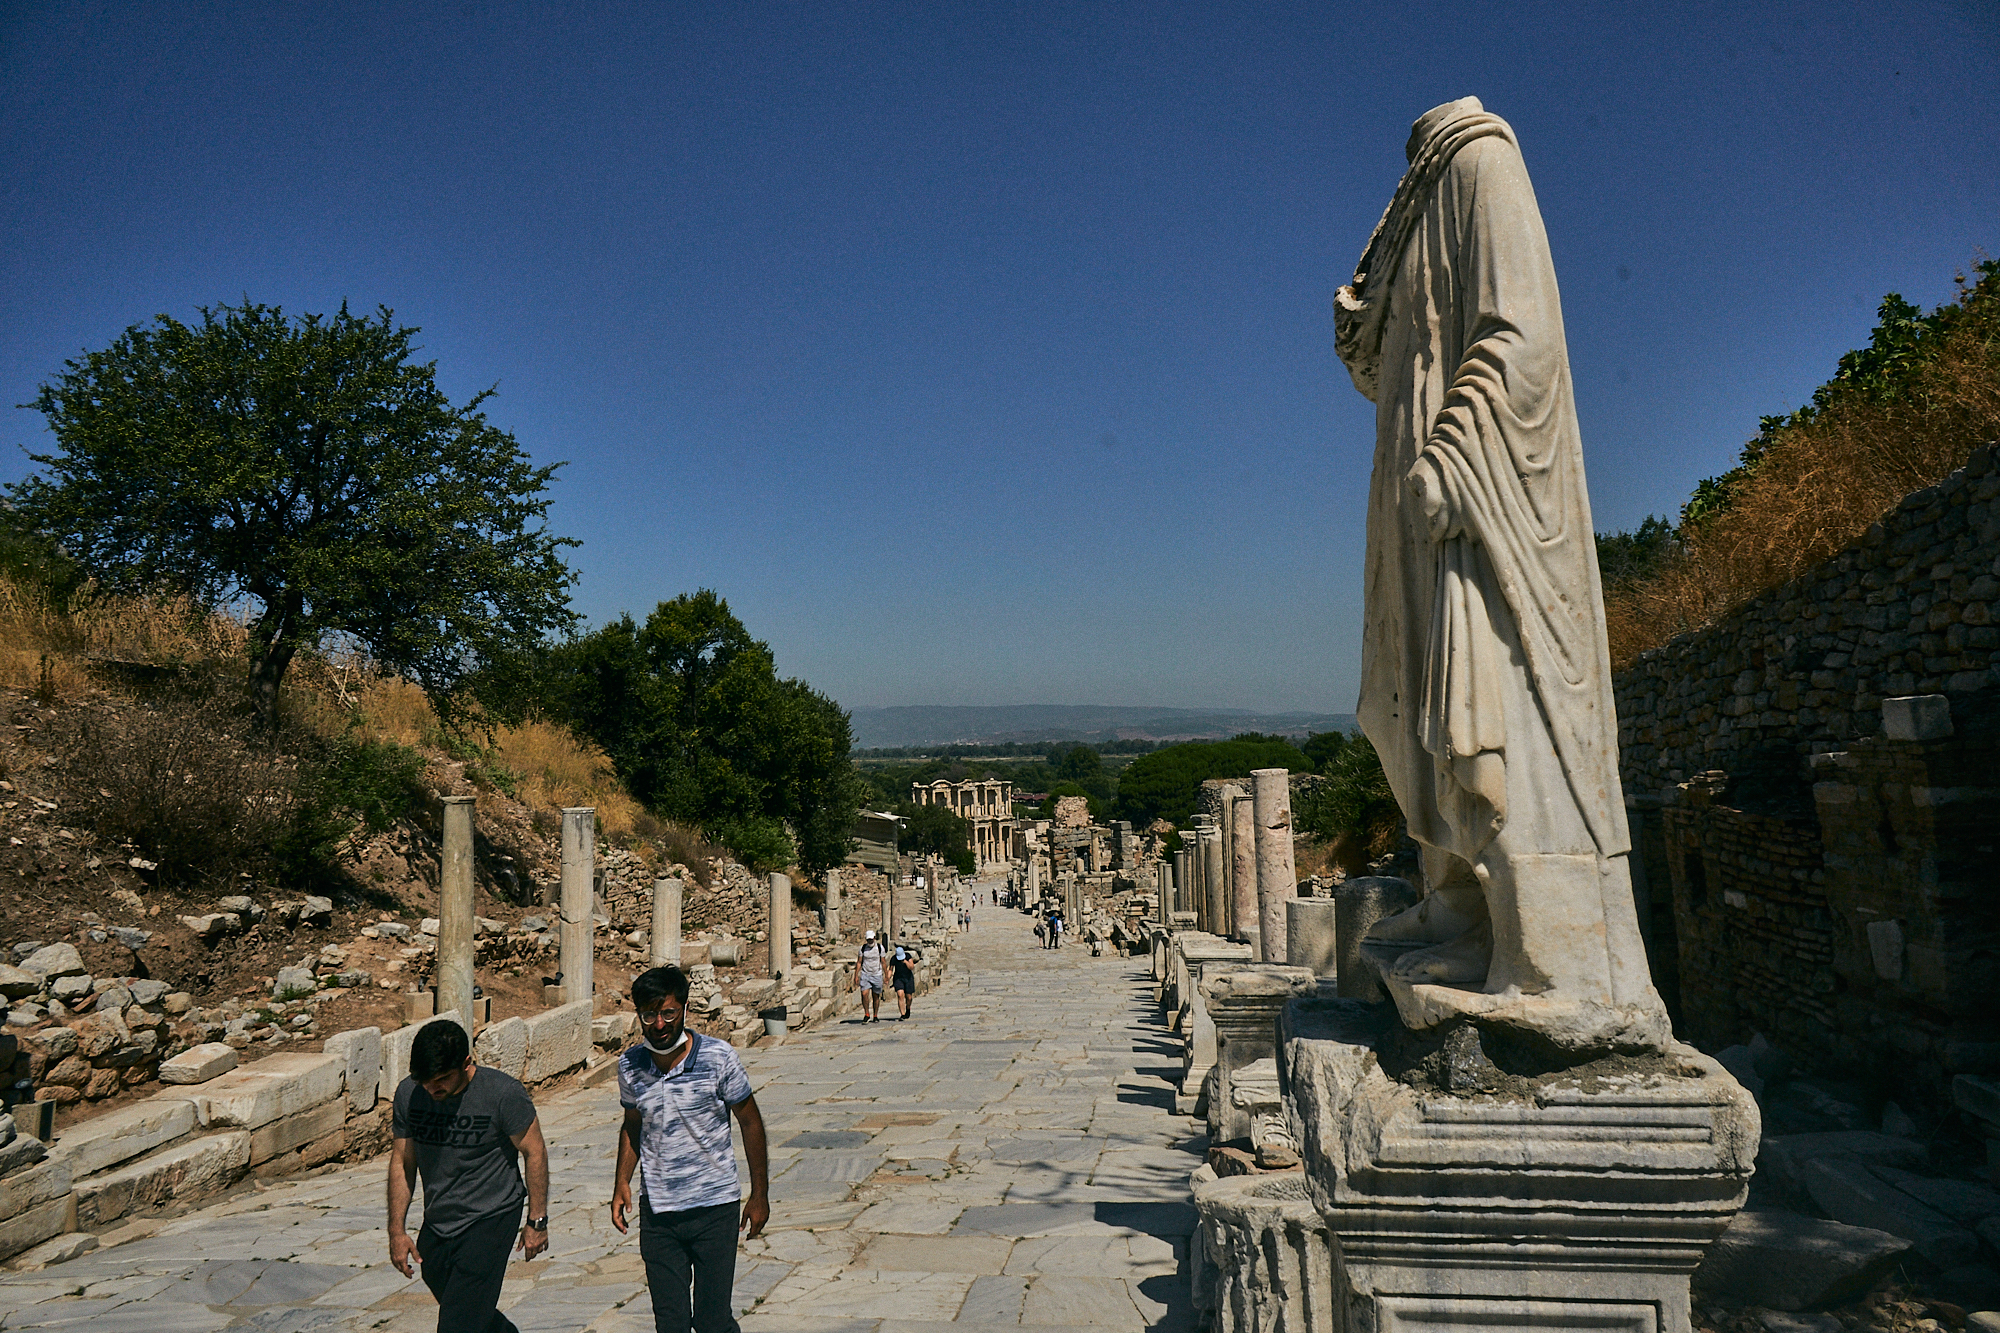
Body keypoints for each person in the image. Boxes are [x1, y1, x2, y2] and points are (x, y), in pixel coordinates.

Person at [1333, 96, 1668, 1054]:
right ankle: (1461, 909)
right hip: (1413, 505)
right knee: (1416, 699)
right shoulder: (1412, 209)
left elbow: (1524, 335)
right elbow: (1375, 363)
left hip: (1476, 496)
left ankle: (1549, 954)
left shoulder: (1478, 161)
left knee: (1493, 699)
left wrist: (1450, 452)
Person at [612, 965, 771, 1333]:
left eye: (668, 1012)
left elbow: (750, 1122)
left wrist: (759, 1194)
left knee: (713, 1321)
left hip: (714, 1209)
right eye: (649, 1015)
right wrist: (622, 1182)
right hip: (660, 1214)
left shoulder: (719, 1057)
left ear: (684, 1009)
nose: (659, 1024)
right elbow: (633, 1124)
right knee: (670, 1323)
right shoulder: (630, 1066)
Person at [388, 1018, 550, 1333]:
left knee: (457, 1324)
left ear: (466, 1063)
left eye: (443, 1079)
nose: (433, 1088)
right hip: (439, 1221)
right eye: (426, 1080)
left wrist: (537, 1222)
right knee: (468, 1310)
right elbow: (401, 1162)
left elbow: (535, 1151)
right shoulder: (409, 1094)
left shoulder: (503, 1093)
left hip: (491, 1216)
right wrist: (397, 1231)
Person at [854, 929, 886, 1023]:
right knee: (864, 994)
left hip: (877, 974)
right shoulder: (863, 948)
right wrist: (856, 975)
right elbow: (859, 962)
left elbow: (883, 961)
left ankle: (875, 1015)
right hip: (865, 974)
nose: (870, 942)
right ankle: (867, 1014)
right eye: (868, 940)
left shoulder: (880, 948)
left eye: (871, 940)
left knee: (876, 996)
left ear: (875, 938)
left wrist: (886, 974)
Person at [890, 946, 916, 1019]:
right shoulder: (893, 959)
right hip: (898, 978)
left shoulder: (908, 956)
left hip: (908, 978)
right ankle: (902, 1014)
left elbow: (911, 967)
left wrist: (905, 962)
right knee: (900, 994)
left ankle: (908, 1008)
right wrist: (887, 977)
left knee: (909, 997)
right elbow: (890, 969)